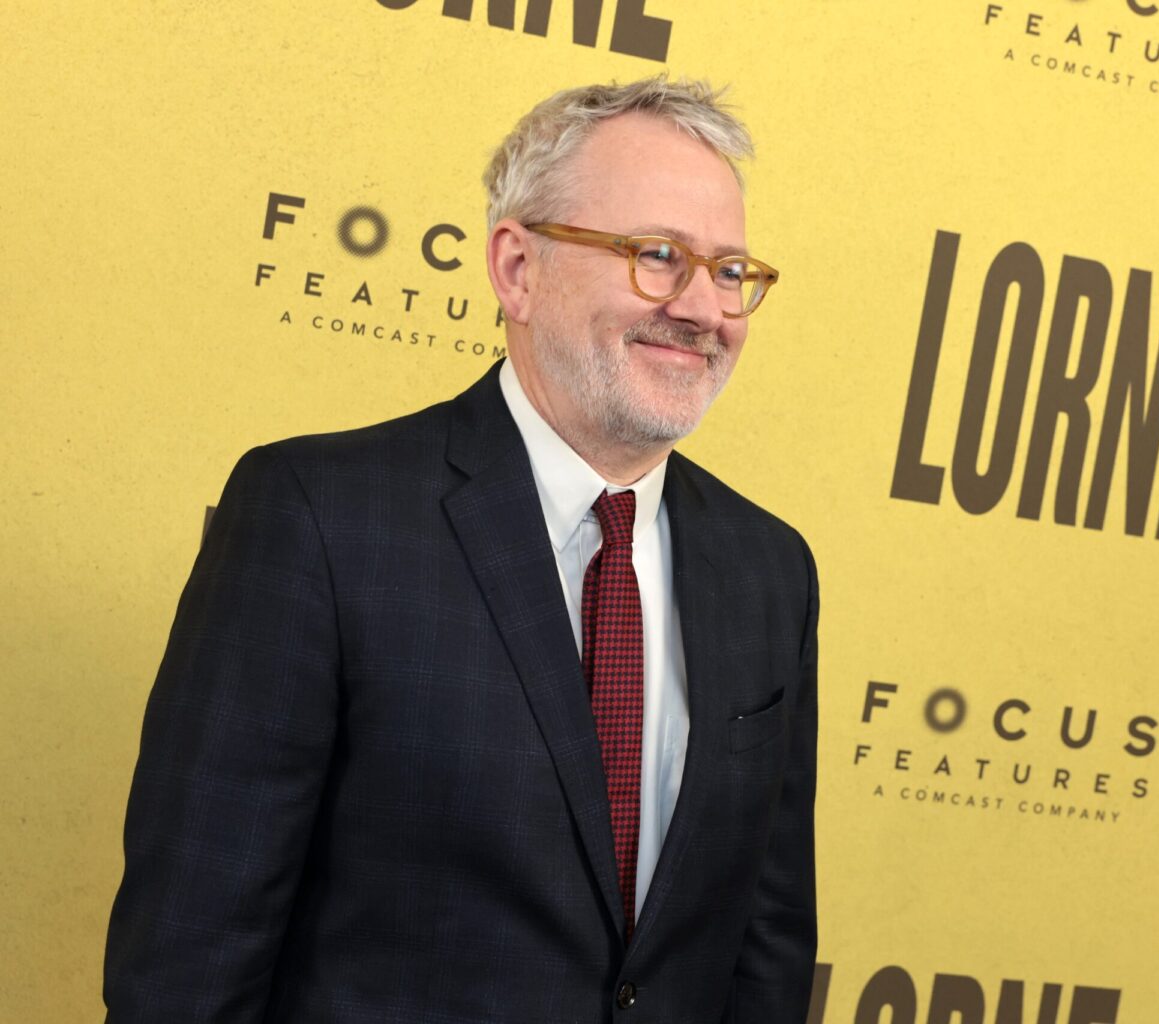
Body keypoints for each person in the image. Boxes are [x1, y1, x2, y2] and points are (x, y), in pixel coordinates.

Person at [104, 77, 818, 1024]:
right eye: (656, 256)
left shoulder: (771, 570)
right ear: (517, 269)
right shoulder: (320, 520)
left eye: (730, 271)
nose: (702, 307)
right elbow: (188, 963)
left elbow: (765, 953)